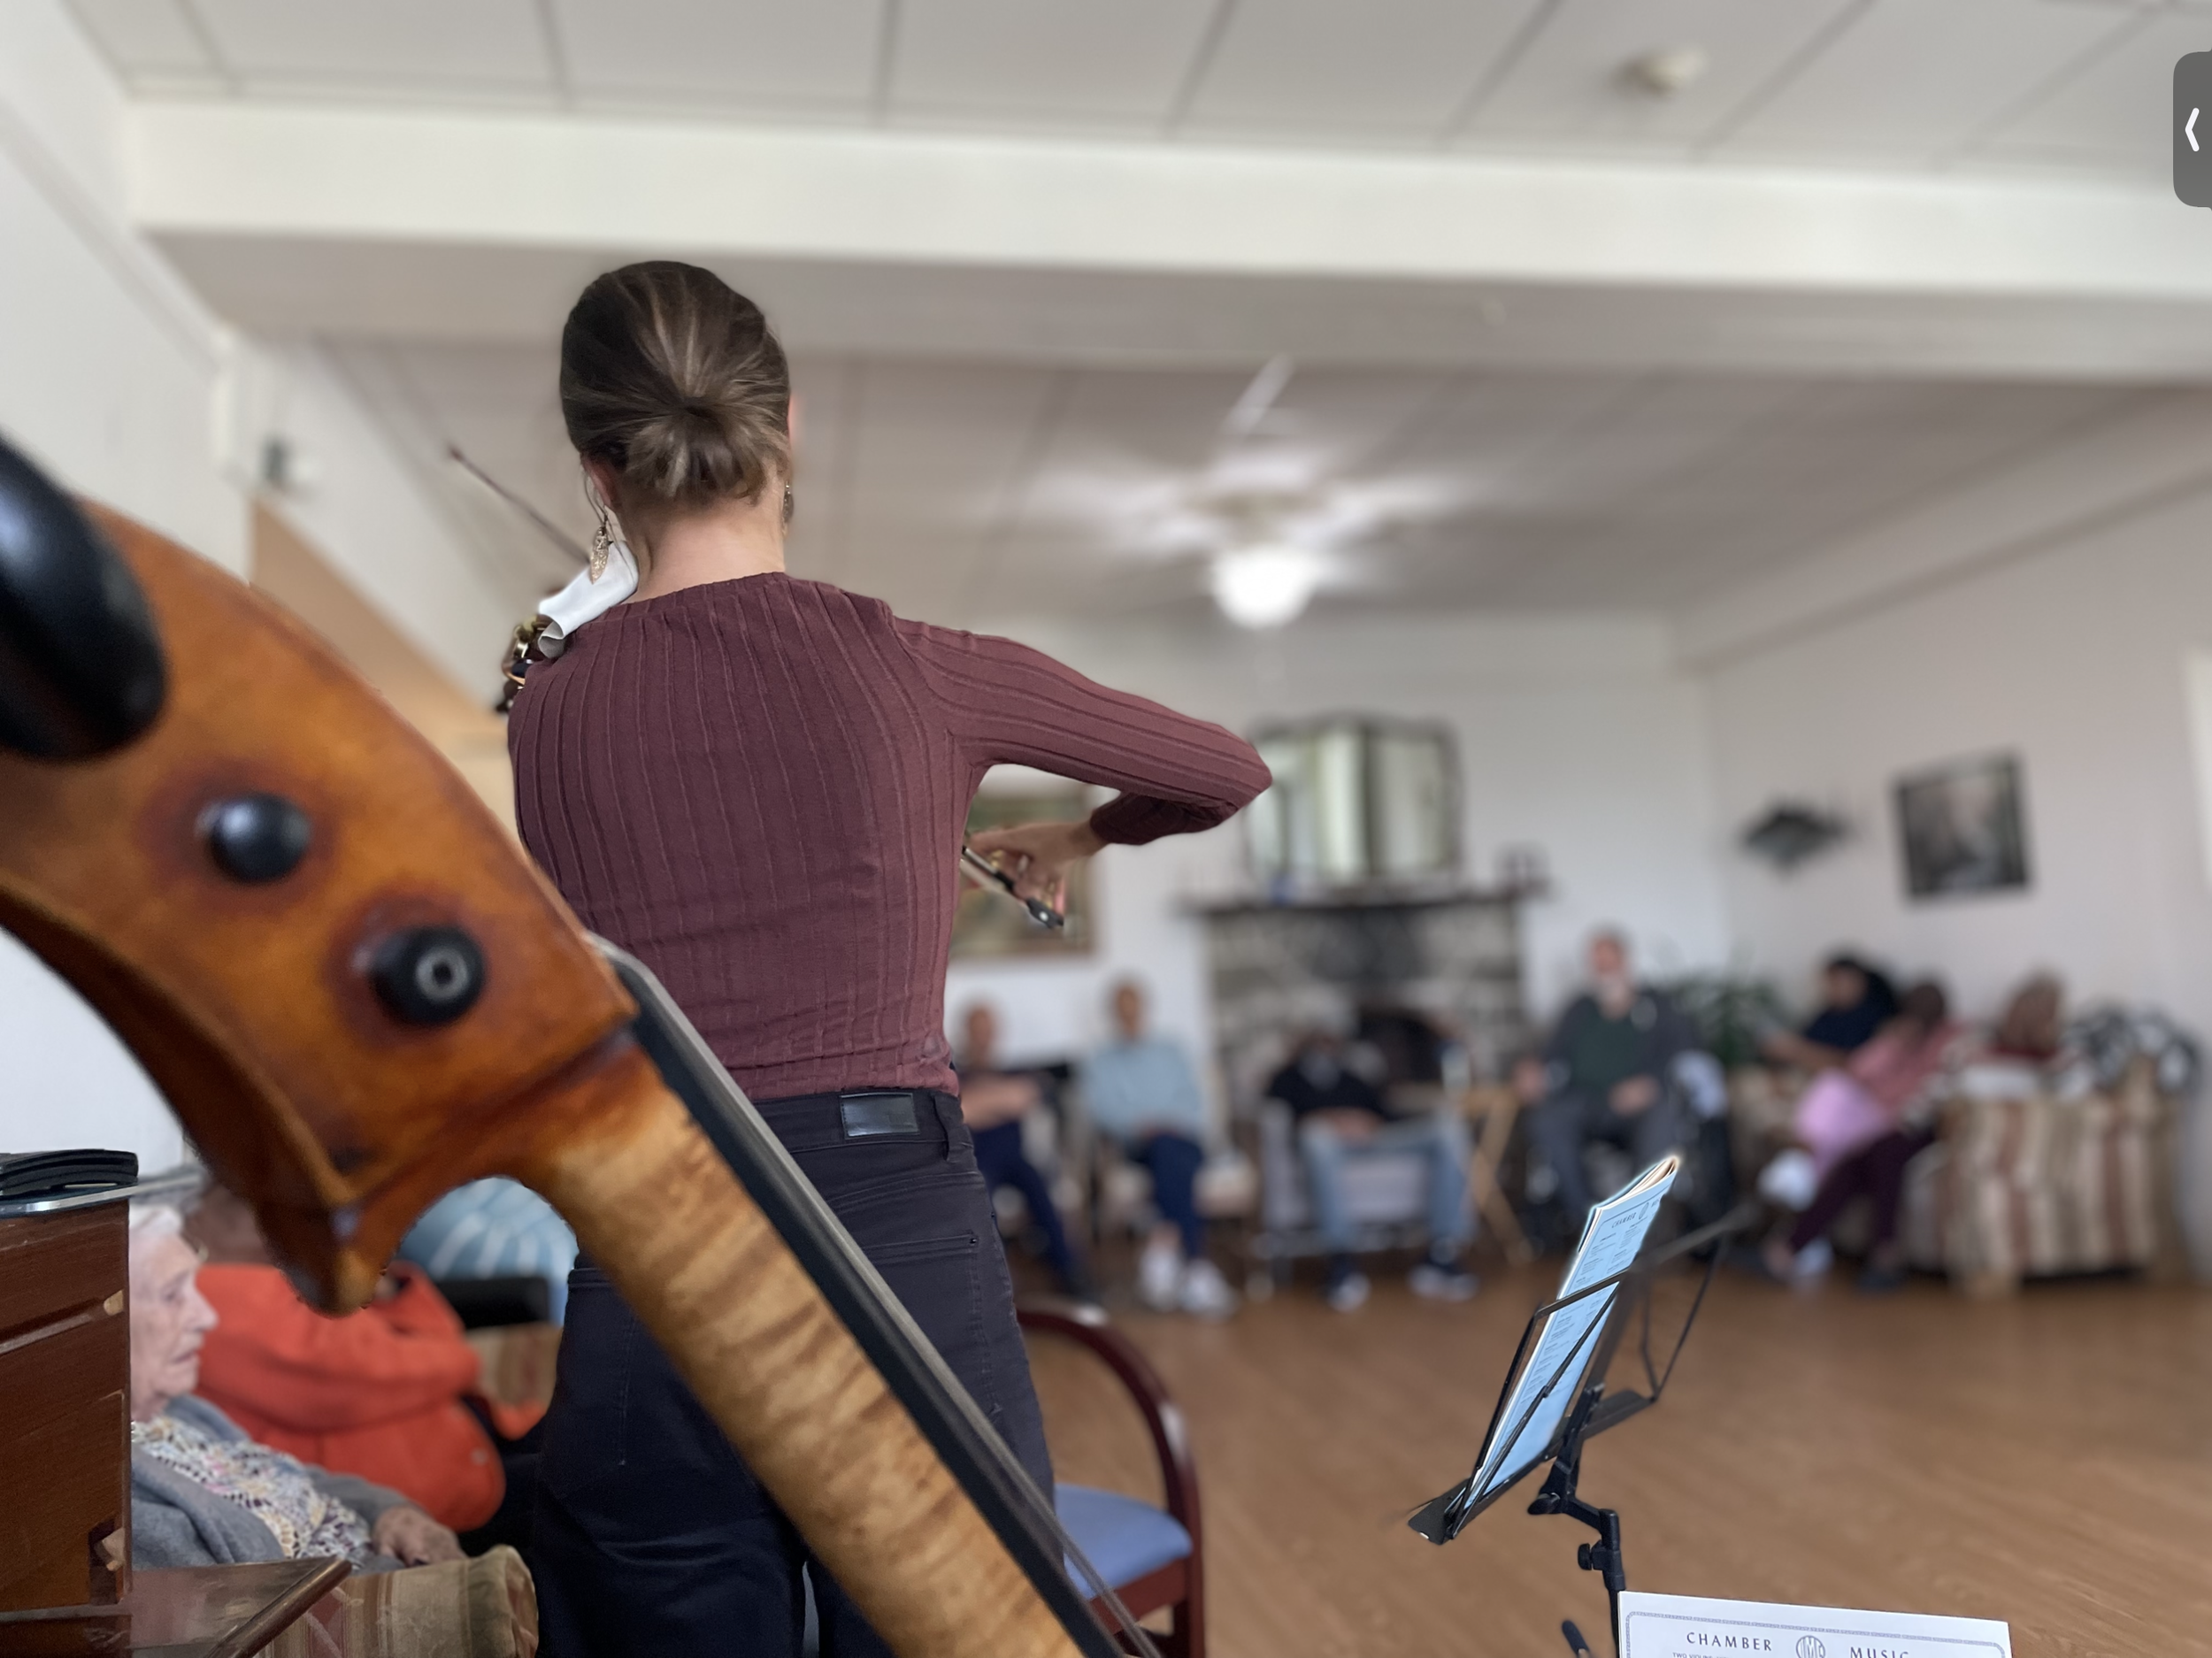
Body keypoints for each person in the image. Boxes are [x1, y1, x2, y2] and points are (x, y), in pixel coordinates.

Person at [505, 263, 1269, 1657]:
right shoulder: (914, 664)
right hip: (899, 1241)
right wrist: (1088, 834)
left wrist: (576, 620)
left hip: (651, 1252)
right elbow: (1225, 770)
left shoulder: (542, 711)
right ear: (789, 425)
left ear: (596, 467)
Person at [186, 1183, 545, 1550]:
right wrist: (464, 1360)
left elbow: (432, 1335)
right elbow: (368, 1373)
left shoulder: (285, 1278)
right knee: (596, 1477)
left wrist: (390, 1296)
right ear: (197, 1216)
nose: (285, 1228)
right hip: (431, 1497)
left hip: (479, 1441)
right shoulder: (208, 1294)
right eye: (251, 1209)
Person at [127, 1204, 464, 1572]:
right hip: (382, 1596)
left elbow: (289, 1476)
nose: (206, 1316)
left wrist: (386, 1510)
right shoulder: (129, 1501)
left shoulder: (177, 1411)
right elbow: (262, 1612)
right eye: (173, 1295)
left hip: (410, 1514)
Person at [1763, 981, 1961, 1293]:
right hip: (1880, 1121)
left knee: (1883, 1152)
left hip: (1919, 1124)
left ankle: (1884, 1255)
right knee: (1856, 1156)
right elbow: (1857, 1071)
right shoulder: (1895, 1038)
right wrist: (1892, 1043)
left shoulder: (1954, 1041)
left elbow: (1942, 1090)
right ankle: (1790, 1247)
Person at [1264, 1032, 1477, 1312]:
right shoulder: (1286, 1078)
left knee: (1448, 1129)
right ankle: (1340, 1260)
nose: (1323, 1046)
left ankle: (1441, 1254)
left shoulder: (1354, 1074)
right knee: (1316, 1138)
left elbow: (1384, 1110)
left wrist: (1364, 1120)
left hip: (1374, 1138)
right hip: (1328, 1144)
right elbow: (1288, 1121)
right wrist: (1332, 1121)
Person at [1080, 979, 1237, 1318]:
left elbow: (1194, 1102)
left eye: (1134, 1006)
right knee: (1167, 1150)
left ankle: (1163, 1244)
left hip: (1183, 1139)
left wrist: (1169, 1123)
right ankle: (1196, 1265)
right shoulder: (1102, 1060)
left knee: (1174, 1152)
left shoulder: (1172, 1050)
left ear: (1144, 1008)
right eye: (1122, 1008)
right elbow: (1103, 1110)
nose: (1129, 1015)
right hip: (1138, 1143)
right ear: (1113, 1013)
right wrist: (1143, 1124)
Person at [1520, 930, 1694, 1234]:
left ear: (1625, 962)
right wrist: (1533, 1070)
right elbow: (1548, 1053)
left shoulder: (1657, 1007)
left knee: (1662, 1119)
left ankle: (1642, 1223)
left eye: (1608, 964)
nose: (1603, 973)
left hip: (1641, 1103)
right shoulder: (1579, 1008)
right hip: (1587, 1101)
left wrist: (1649, 1084)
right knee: (1547, 1121)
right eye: (1597, 965)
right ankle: (1586, 1219)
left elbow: (1681, 1051)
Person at [956, 1001, 1092, 1299]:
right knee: (982, 1204)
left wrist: (983, 1101)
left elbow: (1023, 1097)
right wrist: (999, 1100)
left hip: (1016, 1160)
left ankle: (1071, 1276)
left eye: (987, 1029)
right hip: (978, 1162)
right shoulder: (956, 1075)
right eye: (976, 1030)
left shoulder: (1014, 1069)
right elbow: (962, 1110)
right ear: (966, 1033)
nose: (982, 1036)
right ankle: (999, 1284)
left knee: (1043, 1196)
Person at [1761, 952, 1899, 1071]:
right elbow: (1803, 1038)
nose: (1833, 988)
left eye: (1840, 981)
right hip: (1799, 1072)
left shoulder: (1874, 1016)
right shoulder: (1826, 1013)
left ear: (1860, 981)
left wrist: (1798, 1051)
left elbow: (1852, 1064)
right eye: (1830, 982)